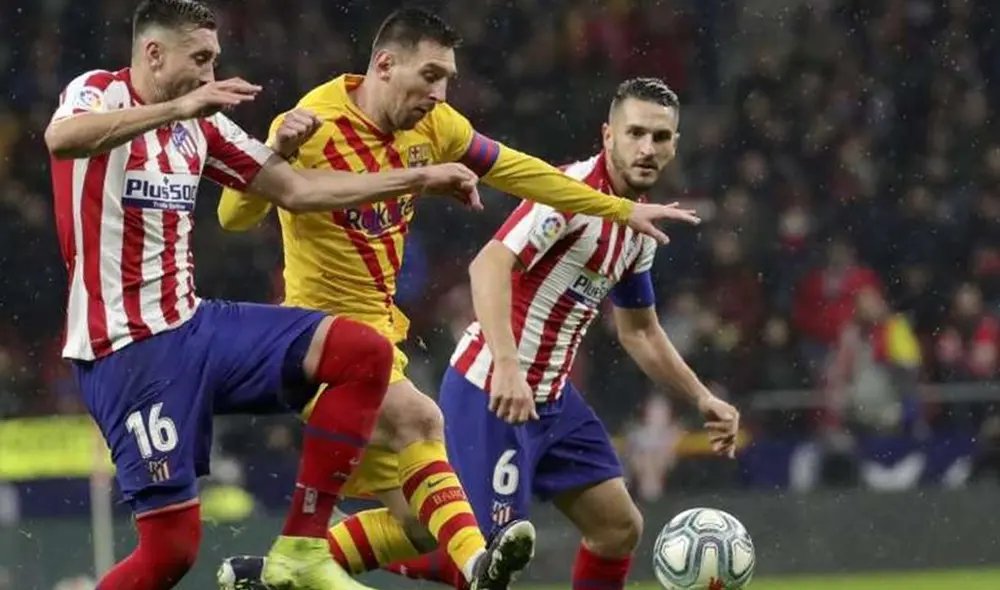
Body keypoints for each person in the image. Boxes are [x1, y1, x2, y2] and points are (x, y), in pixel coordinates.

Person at [213, 8, 700, 590]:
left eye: (448, 79)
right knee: (424, 424)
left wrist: (620, 209)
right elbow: (232, 217)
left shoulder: (434, 127)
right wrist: (277, 149)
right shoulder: (313, 121)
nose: (441, 94)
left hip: (381, 338)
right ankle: (479, 564)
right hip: (319, 341)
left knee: (422, 526)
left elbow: (516, 171)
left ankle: (267, 576)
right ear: (386, 65)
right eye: (431, 76)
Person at [44, 1, 483, 590]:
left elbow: (296, 189)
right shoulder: (97, 92)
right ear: (154, 53)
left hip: (194, 325)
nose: (209, 74)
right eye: (199, 59)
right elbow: (62, 139)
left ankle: (302, 545)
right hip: (125, 349)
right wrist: (180, 106)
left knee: (362, 354)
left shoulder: (201, 124)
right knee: (172, 550)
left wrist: (418, 178)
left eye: (215, 60)